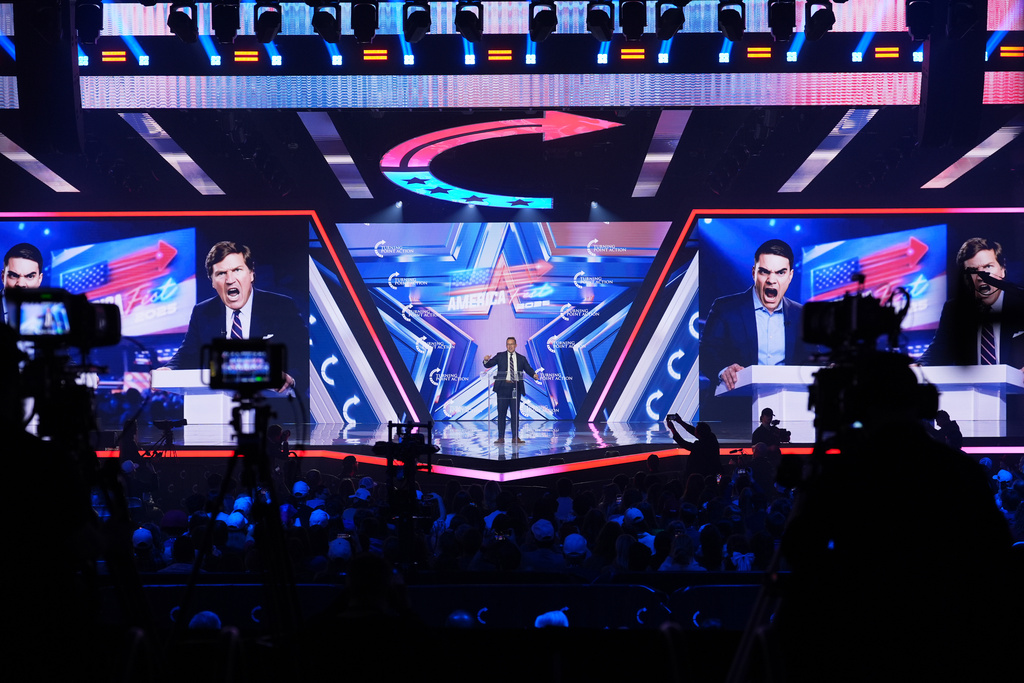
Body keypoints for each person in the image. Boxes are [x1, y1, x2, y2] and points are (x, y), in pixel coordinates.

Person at [162, 241, 306, 393]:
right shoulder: (202, 312)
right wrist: (169, 369)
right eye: (221, 273)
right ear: (212, 282)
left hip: (272, 408)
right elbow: (187, 354)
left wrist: (291, 378)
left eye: (237, 270)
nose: (230, 280)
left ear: (251, 274)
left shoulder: (281, 306)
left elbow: (304, 354)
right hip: (218, 409)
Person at [702, 239, 810, 391]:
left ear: (790, 276)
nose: (771, 280)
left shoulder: (801, 315)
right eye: (764, 271)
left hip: (785, 405)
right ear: (754, 273)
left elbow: (811, 361)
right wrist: (723, 370)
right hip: (734, 406)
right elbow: (706, 352)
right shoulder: (725, 308)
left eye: (780, 273)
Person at [918, 237, 1024, 369]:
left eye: (988, 266)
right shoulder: (955, 309)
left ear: (1002, 269)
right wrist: (917, 367)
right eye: (973, 271)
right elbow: (937, 353)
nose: (981, 277)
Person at [482, 337, 538, 444]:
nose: (510, 346)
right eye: (508, 344)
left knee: (514, 413)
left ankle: (515, 437)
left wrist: (534, 374)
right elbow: (488, 364)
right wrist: (485, 360)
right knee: (501, 413)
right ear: (506, 345)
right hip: (502, 388)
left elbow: (528, 368)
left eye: (512, 344)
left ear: (516, 345)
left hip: (515, 388)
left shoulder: (521, 358)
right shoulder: (500, 356)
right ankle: (501, 438)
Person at [666, 414, 723, 480]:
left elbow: (684, 443)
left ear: (699, 433)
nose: (694, 430)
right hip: (714, 472)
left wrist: (672, 429)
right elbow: (692, 430)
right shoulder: (711, 437)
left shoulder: (700, 446)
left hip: (702, 475)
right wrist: (680, 422)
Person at [2, 242, 44, 323]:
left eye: (30, 276)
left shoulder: (49, 308)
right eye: (13, 275)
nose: (21, 284)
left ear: (40, 279)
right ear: (3, 277)